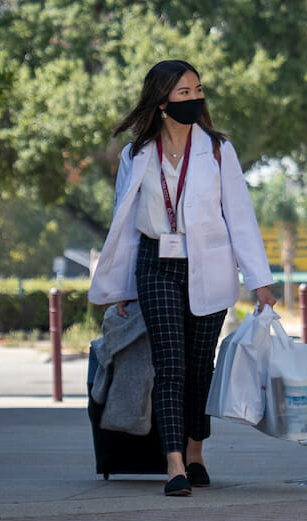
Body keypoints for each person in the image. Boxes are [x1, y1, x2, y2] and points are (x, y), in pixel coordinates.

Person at [89, 60, 276, 496]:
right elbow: (124, 223)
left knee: (198, 367)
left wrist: (259, 279)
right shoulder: (136, 155)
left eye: (198, 91)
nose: (194, 99)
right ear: (161, 102)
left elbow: (241, 217)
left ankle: (196, 452)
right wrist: (121, 288)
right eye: (183, 93)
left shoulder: (216, 150)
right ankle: (173, 464)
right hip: (155, 264)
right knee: (169, 365)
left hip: (208, 264)